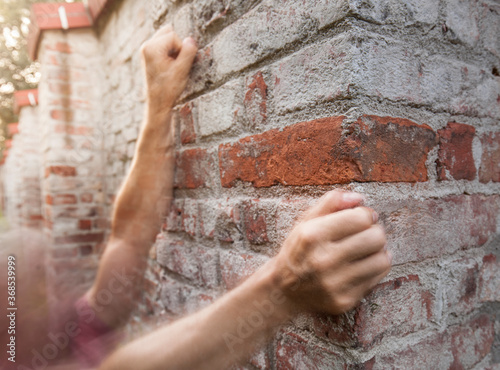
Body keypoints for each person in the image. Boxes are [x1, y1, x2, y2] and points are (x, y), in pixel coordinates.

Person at [1, 25, 391, 370]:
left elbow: (128, 240)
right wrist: (282, 287)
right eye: (26, 299)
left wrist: (158, 106)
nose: (53, 291)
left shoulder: (62, 339)